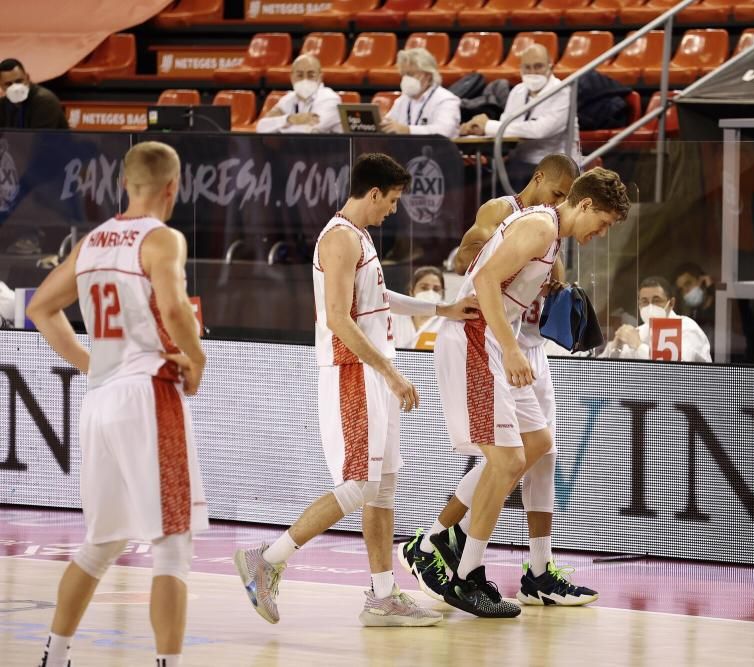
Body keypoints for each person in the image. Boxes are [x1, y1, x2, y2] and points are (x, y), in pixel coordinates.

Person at [232, 153, 476, 627]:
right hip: (352, 371)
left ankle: (383, 595)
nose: (394, 210)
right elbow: (339, 319)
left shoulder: (359, 235)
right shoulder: (340, 238)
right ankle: (268, 558)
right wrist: (390, 371)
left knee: (383, 487)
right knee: (360, 484)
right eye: (393, 201)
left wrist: (443, 309)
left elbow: (379, 303)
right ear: (373, 194)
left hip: (370, 372)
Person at [27, 141, 207, 667]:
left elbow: (40, 307)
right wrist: (197, 359)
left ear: (124, 185)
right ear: (173, 188)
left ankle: (54, 655)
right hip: (147, 391)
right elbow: (174, 310)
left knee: (101, 542)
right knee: (172, 546)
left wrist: (91, 363)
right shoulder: (162, 238)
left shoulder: (92, 242)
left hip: (101, 397)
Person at [428, 167, 629, 617]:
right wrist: (512, 351)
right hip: (478, 341)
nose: (600, 234)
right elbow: (481, 280)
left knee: (538, 446)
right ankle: (462, 570)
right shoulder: (538, 225)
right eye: (603, 223)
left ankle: (452, 548)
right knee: (508, 460)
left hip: (498, 341)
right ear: (584, 205)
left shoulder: (552, 233)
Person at [460, 45, 581, 190]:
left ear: (551, 66)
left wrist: (489, 126)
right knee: (474, 176)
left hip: (555, 165)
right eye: (527, 67)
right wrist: (477, 129)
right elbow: (507, 126)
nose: (532, 72)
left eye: (538, 66)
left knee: (506, 178)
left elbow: (539, 130)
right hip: (519, 162)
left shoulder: (563, 92)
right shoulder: (517, 91)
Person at [601, 276, 712, 363]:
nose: (650, 306)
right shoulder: (639, 331)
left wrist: (639, 346)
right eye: (644, 301)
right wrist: (615, 347)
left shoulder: (686, 328)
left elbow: (674, 375)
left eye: (656, 300)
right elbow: (601, 371)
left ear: (671, 303)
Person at [381, 48, 460, 138]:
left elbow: (444, 131)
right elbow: (390, 125)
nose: (406, 79)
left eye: (410, 74)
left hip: (437, 151)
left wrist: (408, 130)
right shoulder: (402, 100)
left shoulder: (446, 100)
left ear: (428, 75)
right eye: (403, 74)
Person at [256, 54, 342, 134]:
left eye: (311, 75)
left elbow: (310, 130)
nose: (305, 79)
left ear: (320, 77)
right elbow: (261, 127)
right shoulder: (288, 99)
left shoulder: (330, 99)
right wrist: (289, 119)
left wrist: (279, 126)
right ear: (292, 77)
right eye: (300, 75)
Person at [0, 58, 67, 128]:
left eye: (19, 81)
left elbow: (40, 137)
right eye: (8, 84)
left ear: (27, 78)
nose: (15, 88)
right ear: (1, 86)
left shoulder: (45, 101)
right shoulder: (2, 105)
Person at [393, 265, 447, 350]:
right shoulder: (395, 317)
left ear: (442, 293)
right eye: (424, 288)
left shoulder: (448, 321)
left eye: (436, 289)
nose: (430, 293)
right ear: (411, 291)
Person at [673, 262, 715, 338]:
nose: (685, 291)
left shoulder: (722, 305)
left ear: (703, 281)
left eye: (688, 284)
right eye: (681, 289)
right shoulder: (692, 313)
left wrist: (711, 291)